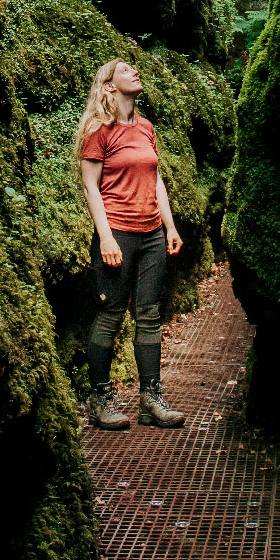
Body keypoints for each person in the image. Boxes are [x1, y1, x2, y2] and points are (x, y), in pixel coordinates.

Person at [75, 57, 186, 430]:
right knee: (110, 314)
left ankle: (150, 399)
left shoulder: (146, 128)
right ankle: (101, 399)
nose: (134, 72)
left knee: (150, 315)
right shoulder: (99, 131)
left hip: (153, 234)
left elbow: (156, 181)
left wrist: (169, 227)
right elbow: (90, 186)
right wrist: (105, 236)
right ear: (108, 86)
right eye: (125, 71)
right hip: (117, 233)